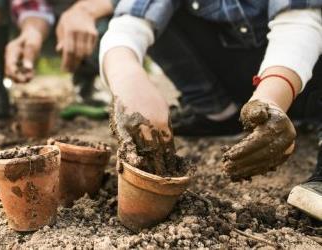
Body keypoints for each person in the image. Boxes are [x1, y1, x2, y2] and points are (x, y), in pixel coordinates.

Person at [99, 1, 322, 220]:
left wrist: (271, 98)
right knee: (161, 15)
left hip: (304, 75)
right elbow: (130, 22)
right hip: (234, 75)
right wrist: (128, 79)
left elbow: (300, 20)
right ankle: (218, 113)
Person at [0, 0, 115, 119]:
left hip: (97, 22)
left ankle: (86, 81)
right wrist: (32, 31)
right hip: (32, 23)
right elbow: (32, 4)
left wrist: (86, 10)